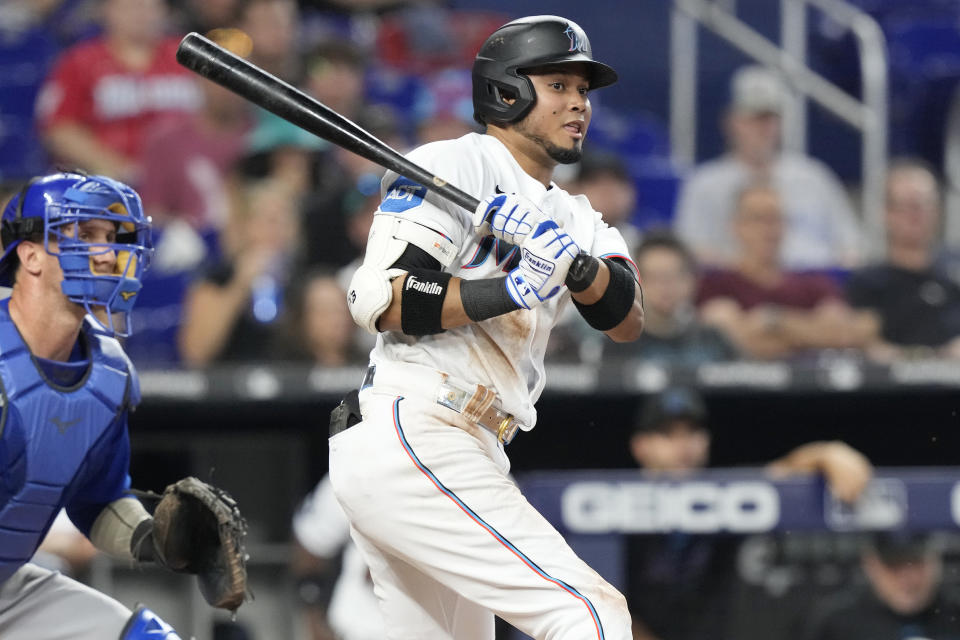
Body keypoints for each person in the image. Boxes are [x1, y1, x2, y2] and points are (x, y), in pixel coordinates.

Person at [329, 15, 644, 639]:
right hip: (416, 423)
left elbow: (627, 318)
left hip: (473, 441)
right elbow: (381, 300)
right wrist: (513, 286)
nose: (579, 103)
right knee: (588, 613)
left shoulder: (574, 215)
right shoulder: (457, 164)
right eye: (559, 85)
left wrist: (574, 266)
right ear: (508, 91)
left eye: (583, 91)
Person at [0, 172, 176, 638]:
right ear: (30, 254)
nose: (105, 253)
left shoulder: (108, 374)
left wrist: (155, 536)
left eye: (111, 237)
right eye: (83, 234)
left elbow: (98, 502)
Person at [627, 386, 874, 640]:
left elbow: (782, 474)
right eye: (667, 434)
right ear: (640, 446)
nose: (683, 445)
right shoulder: (620, 503)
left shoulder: (729, 495)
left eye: (692, 432)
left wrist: (828, 453)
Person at [674, 64, 863, 270]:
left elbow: (851, 246)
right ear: (731, 121)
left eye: (771, 119)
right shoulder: (705, 183)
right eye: (754, 119)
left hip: (811, 285)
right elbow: (688, 252)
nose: (763, 128)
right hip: (737, 288)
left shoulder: (814, 177)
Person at [696, 182, 879, 359]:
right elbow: (733, 342)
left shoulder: (815, 284)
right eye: (758, 218)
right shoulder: (715, 285)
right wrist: (811, 333)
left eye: (776, 218)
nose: (769, 229)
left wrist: (773, 321)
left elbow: (847, 335)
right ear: (735, 226)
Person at [35, 0, 201, 184]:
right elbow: (59, 129)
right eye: (129, 7)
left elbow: (222, 117)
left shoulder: (189, 57)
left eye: (148, 6)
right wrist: (118, 167)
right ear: (106, 11)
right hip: (110, 180)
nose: (139, 14)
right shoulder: (80, 62)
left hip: (191, 174)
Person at [178, 178, 301, 366]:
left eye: (285, 220)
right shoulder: (219, 278)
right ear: (246, 226)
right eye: (270, 220)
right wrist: (241, 284)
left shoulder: (301, 278)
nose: (278, 230)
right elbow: (195, 353)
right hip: (227, 386)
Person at [845, 158, 960, 360]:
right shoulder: (867, 282)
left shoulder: (954, 269)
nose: (916, 215)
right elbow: (859, 337)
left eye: (924, 204)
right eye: (906, 206)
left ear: (938, 209)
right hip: (893, 387)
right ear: (886, 213)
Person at [604, 230, 738, 365]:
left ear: (692, 280)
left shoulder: (712, 341)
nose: (665, 287)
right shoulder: (618, 344)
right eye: (654, 277)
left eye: (673, 276)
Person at [801, 532, 960, 640]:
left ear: (935, 560)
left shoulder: (955, 613)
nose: (907, 578)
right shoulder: (838, 622)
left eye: (916, 563)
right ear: (871, 565)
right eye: (894, 566)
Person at [291, 475, 386, 640]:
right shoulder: (360, 472)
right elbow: (311, 544)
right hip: (357, 630)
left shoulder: (444, 483)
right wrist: (314, 620)